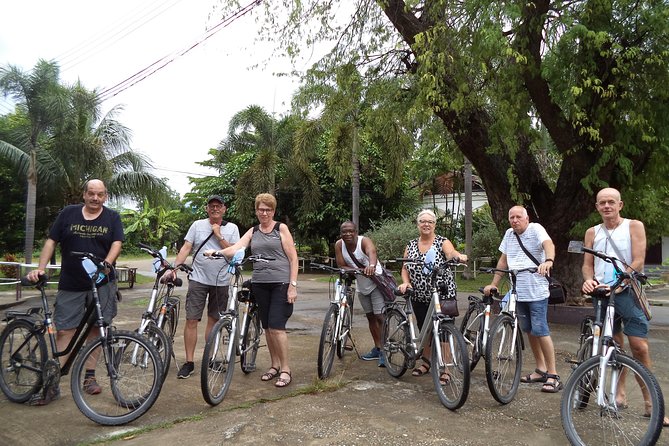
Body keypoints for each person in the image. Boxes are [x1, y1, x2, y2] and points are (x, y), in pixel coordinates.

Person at [26, 179, 124, 404]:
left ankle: (89, 377)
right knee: (65, 331)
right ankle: (52, 384)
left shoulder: (112, 217)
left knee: (97, 330)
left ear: (105, 196)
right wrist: (40, 269)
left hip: (102, 282)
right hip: (71, 282)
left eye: (100, 194)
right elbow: (51, 241)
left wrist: (106, 264)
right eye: (91, 193)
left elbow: (117, 243)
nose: (95, 198)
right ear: (84, 194)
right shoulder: (68, 214)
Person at [581, 187, 669, 427]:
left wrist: (621, 282)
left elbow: (638, 259)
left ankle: (652, 403)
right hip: (602, 294)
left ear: (620, 205)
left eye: (611, 202)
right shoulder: (592, 232)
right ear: (597, 207)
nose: (607, 206)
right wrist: (588, 279)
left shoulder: (634, 226)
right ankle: (619, 393)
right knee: (615, 347)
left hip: (627, 292)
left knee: (639, 346)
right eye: (602, 203)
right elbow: (587, 264)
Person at [212, 193, 299, 388]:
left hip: (281, 283)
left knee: (277, 327)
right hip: (260, 283)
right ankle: (274, 365)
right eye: (261, 209)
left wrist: (292, 286)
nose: (264, 213)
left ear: (273, 211)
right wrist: (216, 252)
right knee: (267, 328)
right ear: (256, 210)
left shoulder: (280, 228)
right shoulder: (253, 231)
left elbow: (294, 259)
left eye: (268, 209)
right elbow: (236, 247)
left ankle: (286, 369)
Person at [483, 205, 561, 393]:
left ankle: (553, 374)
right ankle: (540, 369)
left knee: (541, 330)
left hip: (536, 292)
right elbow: (503, 260)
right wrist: (494, 283)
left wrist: (548, 261)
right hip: (518, 292)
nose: (515, 220)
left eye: (518, 217)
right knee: (529, 330)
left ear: (527, 218)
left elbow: (548, 245)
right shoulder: (509, 234)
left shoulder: (536, 229)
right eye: (512, 217)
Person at [164, 195, 240, 379]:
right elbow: (186, 248)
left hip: (221, 281)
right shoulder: (197, 225)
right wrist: (174, 269)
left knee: (214, 320)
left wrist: (218, 235)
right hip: (198, 279)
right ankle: (189, 362)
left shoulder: (232, 228)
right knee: (191, 320)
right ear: (207, 209)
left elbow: (234, 254)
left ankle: (210, 359)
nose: (215, 209)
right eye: (211, 206)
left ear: (224, 209)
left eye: (218, 206)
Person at [397, 210, 467, 377]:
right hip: (419, 295)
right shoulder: (411, 244)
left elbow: (451, 253)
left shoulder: (442, 242)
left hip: (442, 294)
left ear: (435, 224)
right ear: (417, 224)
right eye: (422, 221)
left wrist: (459, 256)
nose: (426, 224)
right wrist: (406, 282)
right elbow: (405, 268)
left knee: (444, 330)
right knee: (425, 330)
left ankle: (447, 369)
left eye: (430, 221)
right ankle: (427, 362)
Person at [334, 221, 386, 367]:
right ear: (341, 234)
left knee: (380, 317)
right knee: (370, 317)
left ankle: (384, 351)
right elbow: (341, 265)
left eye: (351, 231)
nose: (348, 234)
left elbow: (372, 253)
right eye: (344, 231)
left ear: (356, 232)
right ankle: (377, 348)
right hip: (361, 285)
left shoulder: (364, 241)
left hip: (376, 282)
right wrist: (354, 270)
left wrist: (371, 265)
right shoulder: (339, 245)